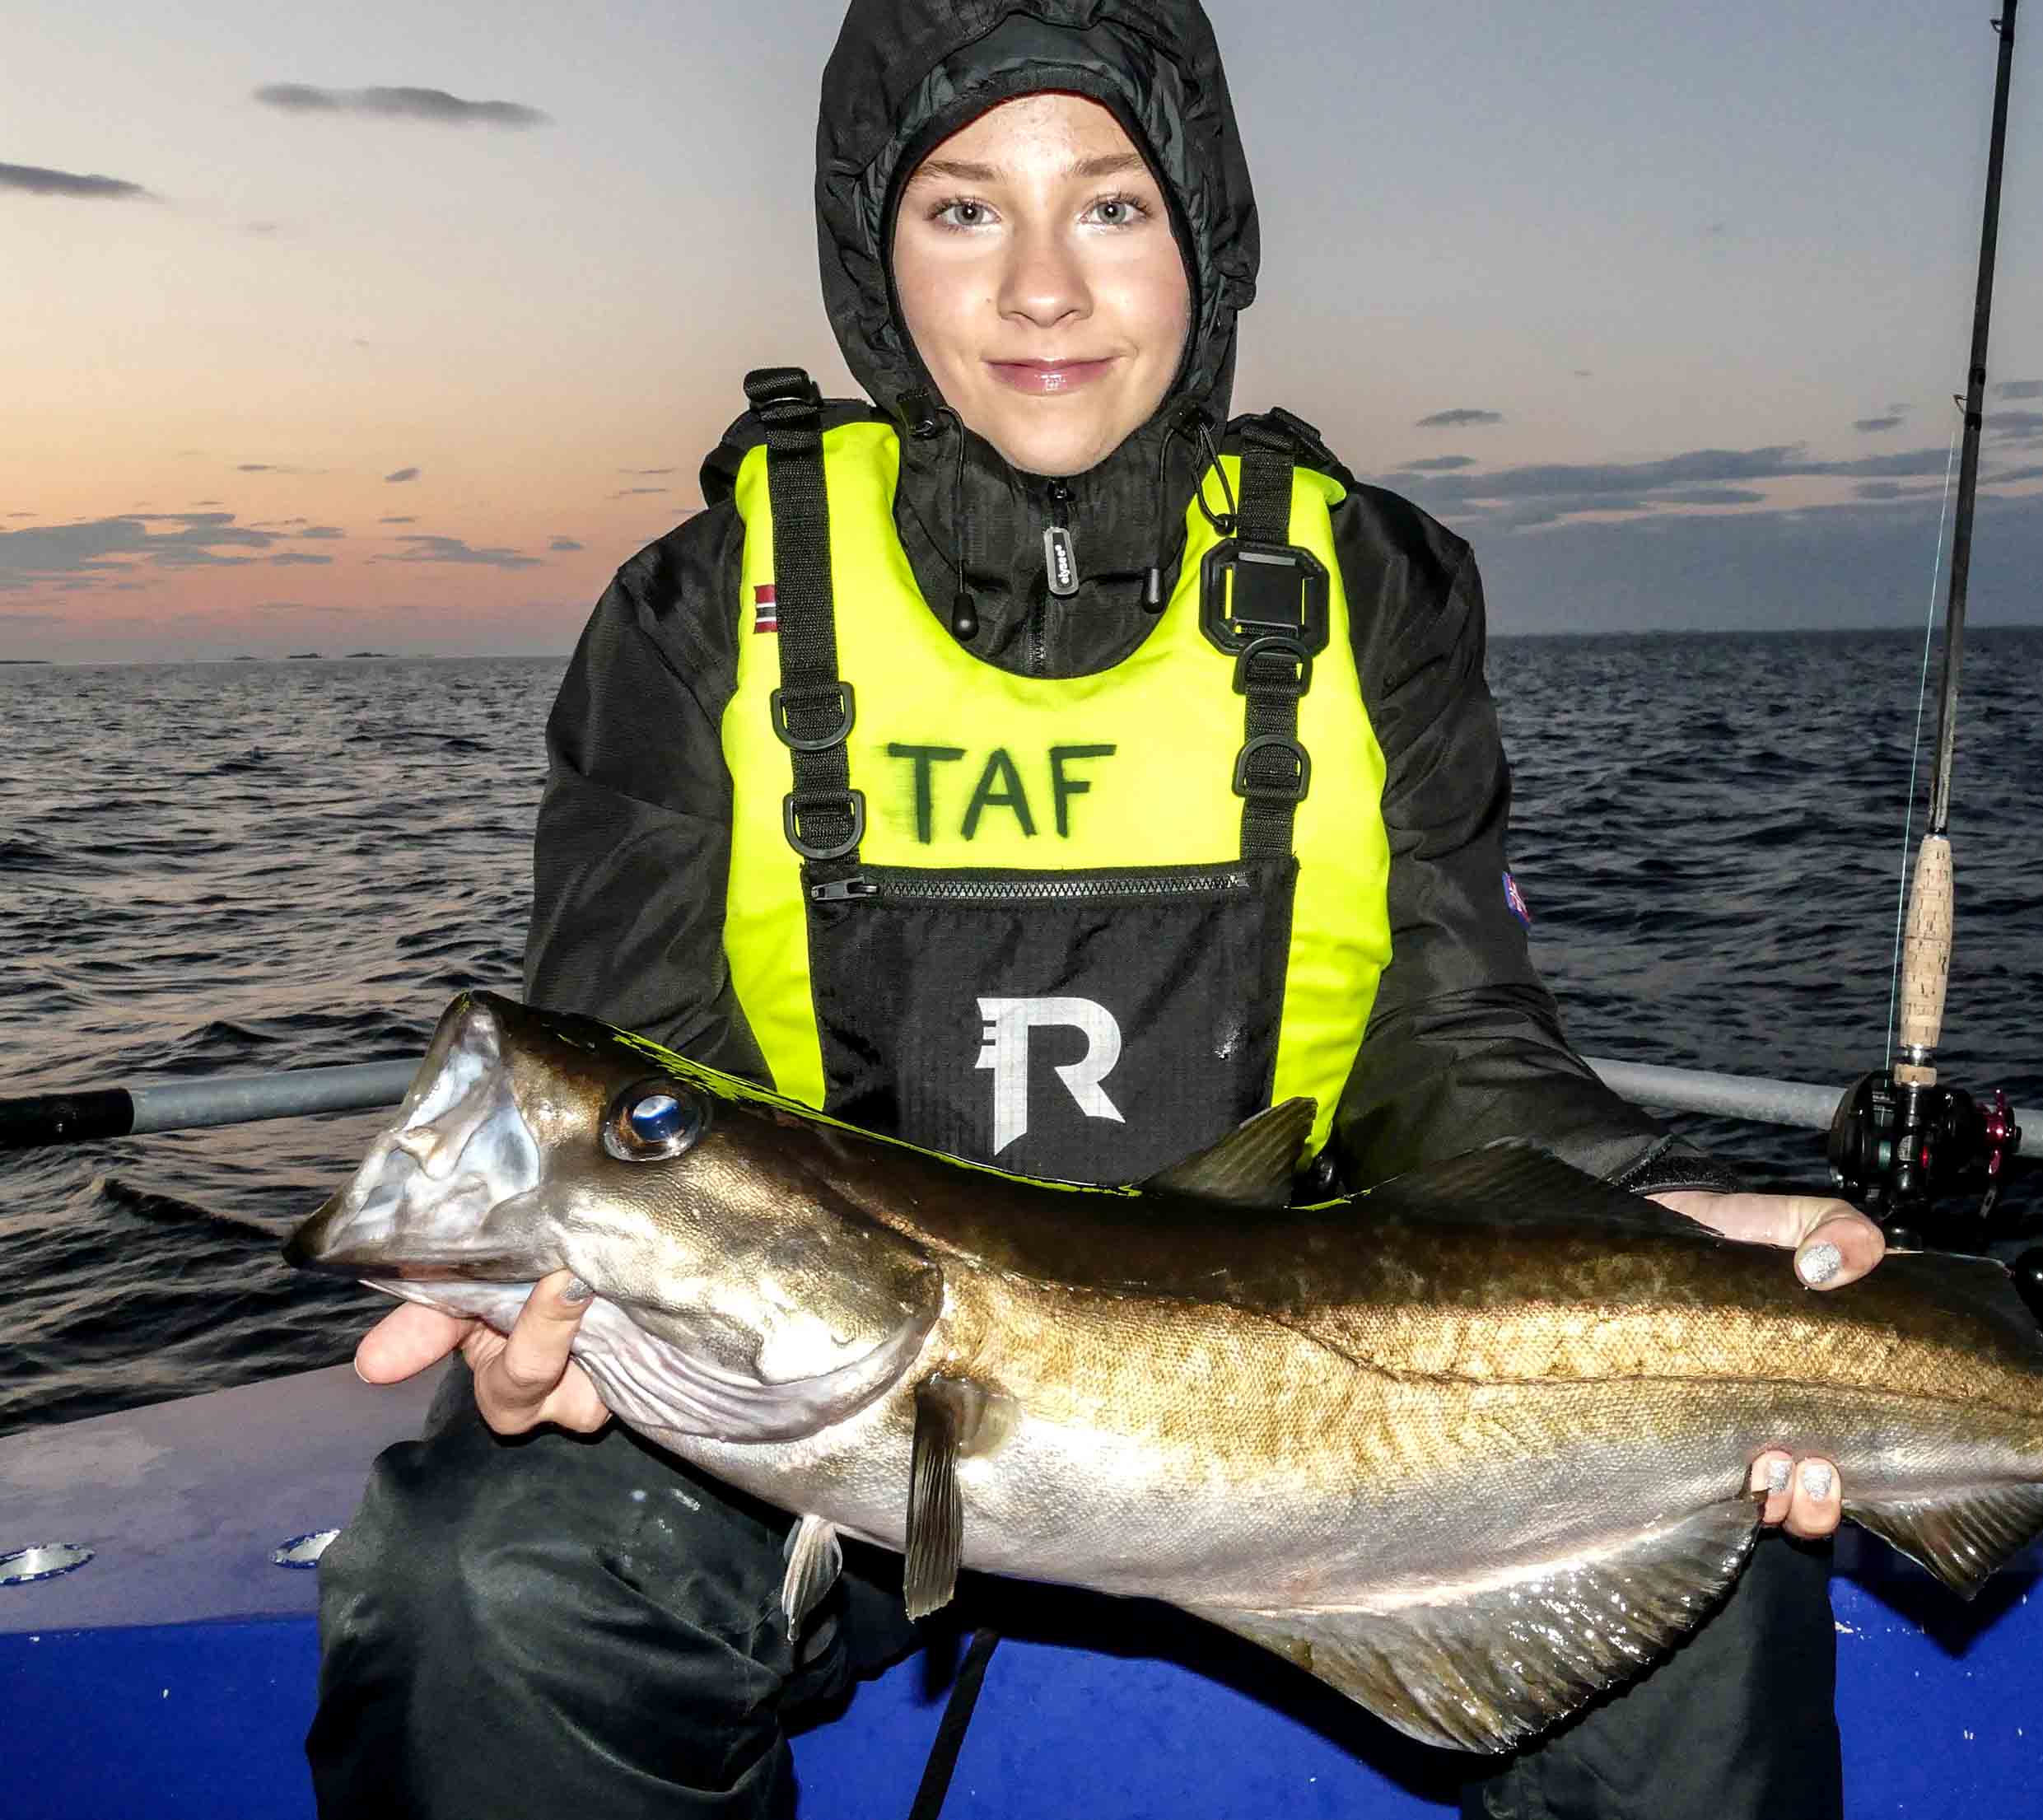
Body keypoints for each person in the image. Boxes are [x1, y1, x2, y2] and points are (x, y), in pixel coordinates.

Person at [307, 2, 1887, 1816]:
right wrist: (579, 1319)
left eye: (1113, 208)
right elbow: (647, 1069)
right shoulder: (701, 608)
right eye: (964, 210)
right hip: (805, 1417)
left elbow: (1449, 1041)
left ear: (1203, 239)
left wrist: (1630, 1233)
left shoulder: (1367, 589)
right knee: (483, 1595)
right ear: (870, 254)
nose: (1041, 291)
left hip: (1323, 1413)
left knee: (1700, 1601)